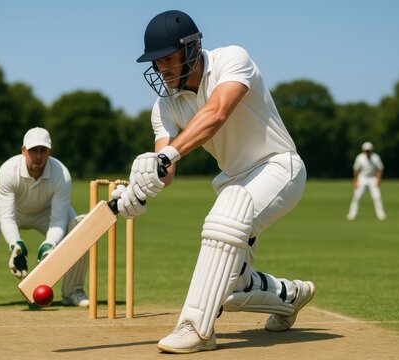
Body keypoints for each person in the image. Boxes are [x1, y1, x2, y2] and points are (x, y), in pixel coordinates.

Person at [113, 10, 315, 353]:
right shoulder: (164, 106)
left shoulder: (232, 59)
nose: (163, 69)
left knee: (225, 217)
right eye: (157, 62)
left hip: (279, 167)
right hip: (233, 182)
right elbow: (166, 170)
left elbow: (217, 112)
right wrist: (139, 189)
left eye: (168, 59)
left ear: (193, 48)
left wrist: (165, 158)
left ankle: (196, 329)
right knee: (229, 287)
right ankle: (289, 296)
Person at [0, 127, 89, 309]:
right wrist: (16, 246)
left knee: (81, 230)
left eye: (43, 150)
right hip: (12, 210)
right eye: (33, 150)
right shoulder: (8, 170)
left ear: (49, 151)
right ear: (23, 151)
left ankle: (74, 290)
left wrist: (50, 244)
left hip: (45, 212)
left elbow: (58, 218)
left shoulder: (61, 174)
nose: (38, 156)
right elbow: (7, 216)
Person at [346, 141, 387, 220]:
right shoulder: (359, 158)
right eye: (366, 150)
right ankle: (352, 214)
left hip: (373, 178)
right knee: (357, 196)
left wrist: (378, 180)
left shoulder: (376, 157)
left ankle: (381, 214)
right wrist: (355, 181)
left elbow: (380, 169)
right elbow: (356, 170)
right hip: (362, 178)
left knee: (377, 197)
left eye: (369, 150)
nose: (367, 152)